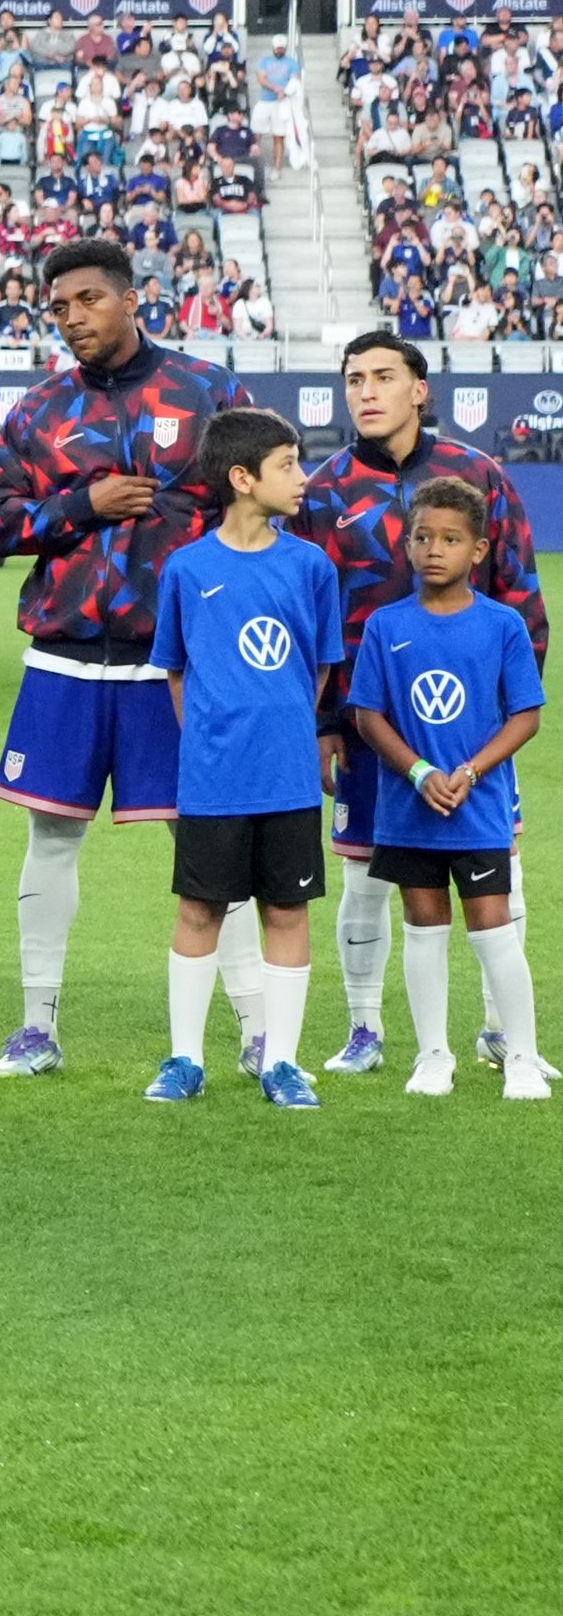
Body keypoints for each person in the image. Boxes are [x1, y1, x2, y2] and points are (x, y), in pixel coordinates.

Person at [0, 237, 241, 1078]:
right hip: (65, 656)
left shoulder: (207, 391)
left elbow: (264, 504)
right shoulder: (39, 408)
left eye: (87, 300)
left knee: (205, 844)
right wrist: (79, 504)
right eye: (58, 308)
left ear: (134, 297)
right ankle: (37, 1027)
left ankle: (257, 1035)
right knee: (50, 836)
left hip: (177, 662)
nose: (72, 318)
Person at [290, 332, 543, 1076]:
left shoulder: (479, 473)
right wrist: (326, 721)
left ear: (419, 389)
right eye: (354, 379)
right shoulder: (326, 489)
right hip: (367, 724)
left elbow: (520, 596)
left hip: (473, 729)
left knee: (500, 870)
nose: (366, 391)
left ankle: (502, 1031)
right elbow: (314, 618)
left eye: (383, 377)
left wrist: (503, 717)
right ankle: (366, 1029)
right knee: (368, 873)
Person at [145, 410, 342, 1109]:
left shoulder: (311, 566)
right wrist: (211, 734)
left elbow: (319, 667)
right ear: (242, 477)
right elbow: (175, 670)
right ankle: (183, 1057)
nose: (302, 477)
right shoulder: (189, 568)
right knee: (201, 909)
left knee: (287, 911)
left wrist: (279, 722)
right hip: (213, 777)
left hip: (287, 774)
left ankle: (281, 1062)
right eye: (288, 464)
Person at [343, 478, 548, 1099]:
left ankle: (522, 1057)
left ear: (479, 550)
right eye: (424, 537)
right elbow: (367, 714)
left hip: (478, 809)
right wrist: (419, 773)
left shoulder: (503, 625)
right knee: (423, 928)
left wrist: (469, 772)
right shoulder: (385, 625)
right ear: (407, 546)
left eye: (452, 539)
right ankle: (433, 1055)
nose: (436, 549)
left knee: (493, 930)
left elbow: (525, 715)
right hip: (409, 810)